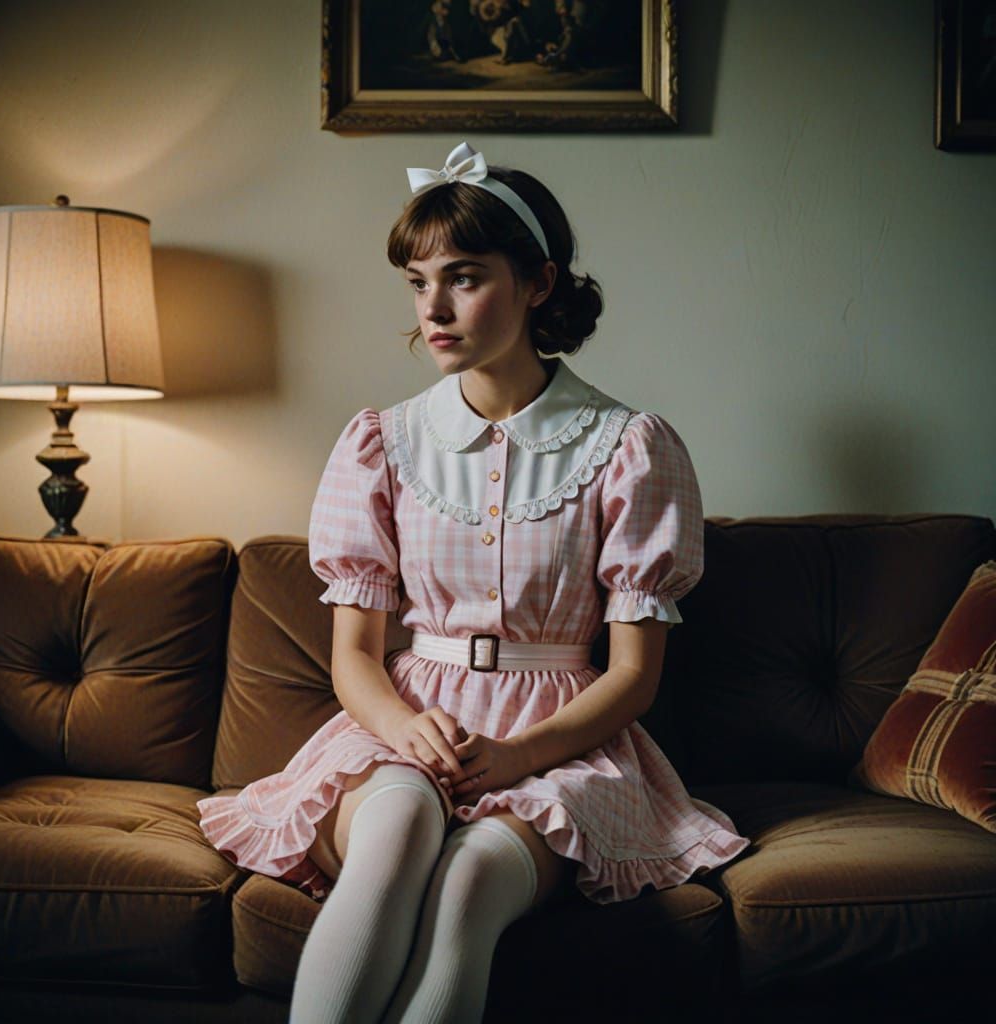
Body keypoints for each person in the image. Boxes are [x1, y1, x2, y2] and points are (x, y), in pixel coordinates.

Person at [197, 141, 751, 1024]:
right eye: (419, 283)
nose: (435, 309)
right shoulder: (380, 441)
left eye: (463, 277)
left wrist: (519, 754)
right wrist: (408, 731)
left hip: (562, 741)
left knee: (472, 881)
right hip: (403, 724)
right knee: (397, 830)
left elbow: (634, 675)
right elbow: (355, 659)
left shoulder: (630, 446)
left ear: (538, 283)